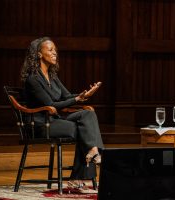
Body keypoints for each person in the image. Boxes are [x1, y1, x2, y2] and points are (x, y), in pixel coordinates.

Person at [20, 37, 104, 193]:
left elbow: (66, 97)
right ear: (39, 54)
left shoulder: (52, 76)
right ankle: (78, 177)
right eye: (50, 50)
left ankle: (93, 151)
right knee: (83, 128)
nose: (54, 53)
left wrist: (83, 96)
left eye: (55, 50)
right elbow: (50, 105)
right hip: (40, 123)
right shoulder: (33, 79)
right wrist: (77, 99)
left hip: (56, 119)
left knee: (88, 114)